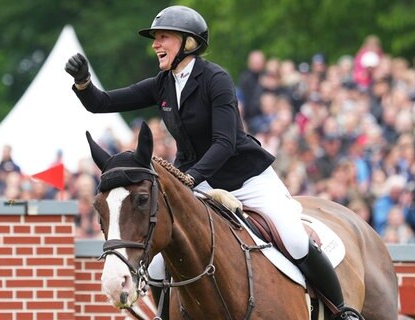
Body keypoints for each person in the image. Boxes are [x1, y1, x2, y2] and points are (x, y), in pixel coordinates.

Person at [65, 5, 362, 320]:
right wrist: (83, 82)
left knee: (294, 238)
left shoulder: (215, 78)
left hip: (245, 178)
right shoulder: (162, 84)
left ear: (188, 43)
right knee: (157, 261)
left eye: (163, 37)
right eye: (155, 39)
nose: (155, 45)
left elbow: (225, 142)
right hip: (198, 180)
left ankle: (341, 311)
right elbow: (102, 103)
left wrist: (189, 179)